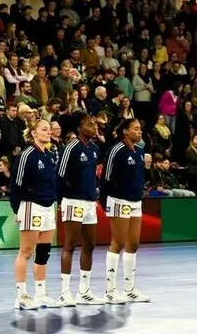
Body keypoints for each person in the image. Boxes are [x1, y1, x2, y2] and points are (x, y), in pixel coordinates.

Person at [56, 115, 106, 306]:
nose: (94, 127)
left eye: (95, 124)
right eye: (90, 125)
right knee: (70, 244)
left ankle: (84, 291)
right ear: (79, 128)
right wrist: (60, 200)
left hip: (89, 203)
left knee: (90, 245)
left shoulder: (94, 149)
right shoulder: (70, 147)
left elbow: (92, 176)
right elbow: (59, 176)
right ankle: (64, 292)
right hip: (72, 201)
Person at [11, 119, 58, 310]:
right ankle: (21, 295)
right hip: (31, 206)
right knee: (26, 251)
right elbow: (16, 184)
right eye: (44, 130)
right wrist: (17, 209)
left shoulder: (49, 154)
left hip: (48, 206)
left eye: (49, 129)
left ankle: (40, 293)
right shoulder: (26, 155)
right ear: (33, 133)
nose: (48, 132)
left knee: (44, 251)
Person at [102, 118, 150, 303]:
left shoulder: (139, 151)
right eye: (136, 129)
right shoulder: (116, 151)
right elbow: (106, 178)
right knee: (118, 243)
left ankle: (130, 289)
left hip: (135, 202)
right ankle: (110, 290)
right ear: (125, 132)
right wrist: (105, 201)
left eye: (140, 129)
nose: (140, 132)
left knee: (133, 244)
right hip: (118, 200)